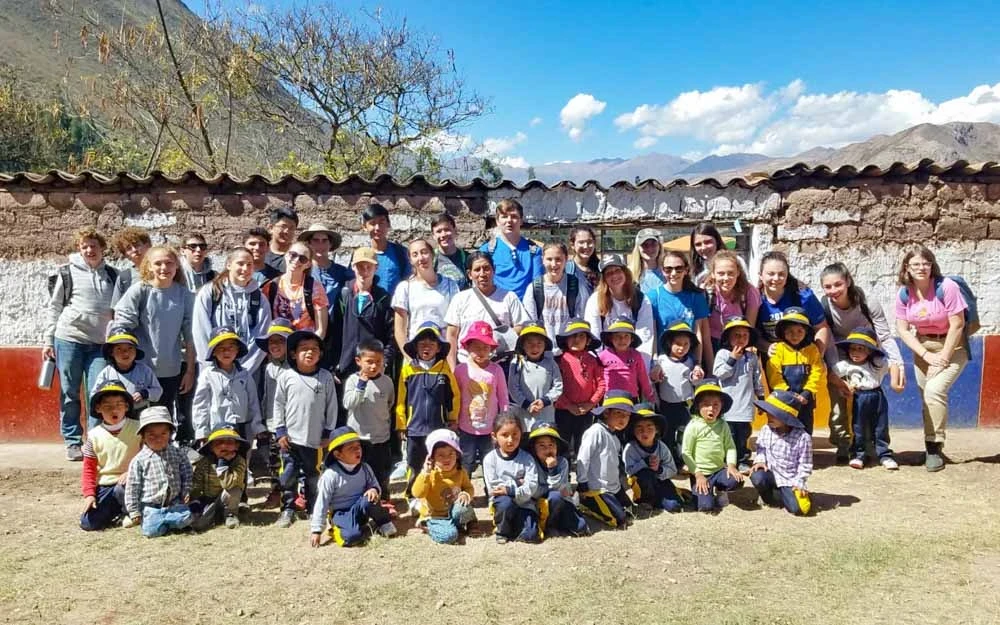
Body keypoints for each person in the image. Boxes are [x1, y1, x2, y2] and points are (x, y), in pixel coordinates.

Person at [893, 245, 969, 472]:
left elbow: (958, 324)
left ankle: (935, 447)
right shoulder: (904, 293)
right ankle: (930, 447)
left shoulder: (947, 287)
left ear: (932, 265)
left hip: (953, 347)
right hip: (923, 346)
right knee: (926, 397)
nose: (921, 268)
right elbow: (903, 329)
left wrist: (943, 358)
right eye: (916, 264)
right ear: (907, 267)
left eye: (926, 263)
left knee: (935, 391)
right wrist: (925, 354)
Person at [44, 227, 118, 459]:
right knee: (69, 392)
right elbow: (55, 307)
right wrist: (48, 340)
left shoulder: (113, 275)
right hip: (69, 339)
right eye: (84, 246)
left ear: (102, 248)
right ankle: (73, 441)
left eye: (93, 246)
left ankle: (95, 440)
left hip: (99, 344)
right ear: (79, 248)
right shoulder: (67, 272)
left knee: (97, 392)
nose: (89, 250)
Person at [820, 262, 904, 463]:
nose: (833, 291)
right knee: (840, 405)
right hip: (839, 354)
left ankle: (869, 446)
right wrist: (837, 375)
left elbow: (884, 335)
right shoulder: (824, 305)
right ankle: (843, 445)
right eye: (828, 287)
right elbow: (829, 341)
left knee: (866, 403)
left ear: (848, 281)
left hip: (866, 354)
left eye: (838, 284)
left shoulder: (867, 302)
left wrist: (897, 363)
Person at [114, 246, 196, 420]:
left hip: (170, 370)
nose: (164, 268)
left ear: (177, 266)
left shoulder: (185, 295)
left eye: (169, 263)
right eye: (158, 263)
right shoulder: (139, 290)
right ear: (149, 266)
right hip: (139, 369)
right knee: (135, 419)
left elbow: (190, 337)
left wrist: (189, 371)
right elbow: (122, 324)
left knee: (162, 418)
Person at [274, 330, 339, 528]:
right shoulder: (286, 376)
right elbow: (278, 405)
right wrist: (280, 431)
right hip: (291, 440)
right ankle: (288, 509)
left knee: (313, 476)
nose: (309, 353)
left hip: (315, 440)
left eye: (314, 350)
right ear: (293, 353)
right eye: (304, 349)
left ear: (320, 354)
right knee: (288, 476)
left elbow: (332, 406)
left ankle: (313, 508)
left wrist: (328, 432)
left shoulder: (325, 377)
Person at [396, 323, 460, 505]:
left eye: (431, 344)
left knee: (439, 461)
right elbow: (401, 399)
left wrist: (453, 417)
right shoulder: (408, 369)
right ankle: (412, 495)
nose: (426, 347)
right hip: (414, 428)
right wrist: (401, 424)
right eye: (422, 343)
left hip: (438, 427)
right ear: (415, 347)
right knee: (414, 463)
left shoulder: (444, 369)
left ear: (438, 347)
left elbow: (454, 396)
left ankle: (437, 494)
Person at [310, 427, 397, 547]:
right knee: (351, 538)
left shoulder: (365, 468)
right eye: (351, 448)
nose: (358, 450)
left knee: (369, 500)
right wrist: (317, 530)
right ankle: (339, 528)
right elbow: (322, 502)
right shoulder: (330, 475)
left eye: (358, 446)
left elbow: (375, 485)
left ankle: (383, 522)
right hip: (342, 513)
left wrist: (373, 490)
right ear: (338, 454)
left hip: (361, 507)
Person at [192, 247, 273, 376]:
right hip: (214, 371)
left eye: (249, 264)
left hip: (247, 373)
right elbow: (200, 331)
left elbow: (261, 335)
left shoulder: (259, 298)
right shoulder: (210, 292)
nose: (245, 269)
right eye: (240, 263)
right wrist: (212, 367)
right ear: (229, 264)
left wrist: (243, 370)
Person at [444, 252, 530, 369]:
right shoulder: (460, 299)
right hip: (466, 367)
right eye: (477, 270)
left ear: (493, 270)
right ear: (469, 274)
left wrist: (498, 338)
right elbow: (452, 335)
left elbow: (521, 326)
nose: (482, 274)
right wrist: (453, 368)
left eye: (486, 268)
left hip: (500, 365)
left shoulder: (509, 297)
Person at [123, 406, 194, 538]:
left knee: (187, 518)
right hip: (151, 506)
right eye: (152, 434)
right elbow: (132, 487)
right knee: (151, 531)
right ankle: (156, 521)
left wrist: (186, 490)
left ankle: (172, 520)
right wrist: (134, 511)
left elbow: (187, 473)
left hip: (174, 502)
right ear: (143, 436)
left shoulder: (177, 454)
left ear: (170, 434)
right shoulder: (139, 460)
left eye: (163, 434)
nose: (158, 438)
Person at [834, 328, 898, 470]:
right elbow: (831, 375)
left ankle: (884, 455)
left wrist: (896, 380)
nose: (855, 352)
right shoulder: (845, 365)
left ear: (869, 351)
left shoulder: (877, 363)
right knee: (858, 427)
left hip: (877, 396)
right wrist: (842, 386)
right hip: (858, 398)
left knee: (881, 426)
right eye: (852, 349)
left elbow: (893, 364)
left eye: (860, 349)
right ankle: (858, 455)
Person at [79, 383, 141, 531]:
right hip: (105, 485)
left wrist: (131, 471)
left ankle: (131, 512)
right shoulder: (94, 435)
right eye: (107, 406)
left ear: (126, 407)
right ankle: (117, 513)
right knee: (88, 523)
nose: (114, 410)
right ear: (98, 408)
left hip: (131, 482)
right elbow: (88, 468)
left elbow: (148, 455)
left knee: (122, 490)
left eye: (119, 405)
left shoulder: (139, 428)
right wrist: (89, 494)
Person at [454, 321, 509, 474]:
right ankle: (465, 492)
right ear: (467, 347)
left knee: (490, 461)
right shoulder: (461, 370)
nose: (481, 352)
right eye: (476, 347)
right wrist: (453, 419)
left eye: (485, 348)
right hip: (466, 427)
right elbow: (455, 396)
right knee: (466, 460)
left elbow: (503, 398)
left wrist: (502, 422)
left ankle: (491, 493)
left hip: (490, 428)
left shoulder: (496, 370)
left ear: (491, 349)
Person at [342, 338, 395, 501]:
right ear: (359, 361)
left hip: (381, 436)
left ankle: (383, 498)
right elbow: (348, 404)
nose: (373, 366)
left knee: (381, 470)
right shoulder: (352, 380)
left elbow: (389, 403)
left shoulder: (387, 382)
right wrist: (361, 386)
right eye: (369, 362)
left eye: (378, 362)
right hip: (359, 437)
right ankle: (360, 498)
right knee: (360, 470)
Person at [583, 255, 655, 370]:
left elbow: (645, 338)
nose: (614, 275)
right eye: (609, 273)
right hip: (606, 364)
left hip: (633, 363)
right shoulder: (595, 300)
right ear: (604, 279)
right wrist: (600, 369)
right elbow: (594, 338)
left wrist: (641, 371)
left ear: (625, 272)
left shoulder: (641, 299)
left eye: (617, 270)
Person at [191, 326, 263, 443]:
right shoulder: (207, 375)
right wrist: (201, 430)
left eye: (231, 347)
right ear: (213, 352)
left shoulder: (245, 374)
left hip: (241, 427)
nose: (226, 351)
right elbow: (201, 405)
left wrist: (257, 426)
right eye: (221, 348)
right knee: (221, 457)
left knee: (242, 458)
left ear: (237, 350)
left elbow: (253, 403)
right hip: (218, 427)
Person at [681, 380, 744, 513]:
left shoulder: (723, 425)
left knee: (735, 480)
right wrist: (698, 474)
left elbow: (730, 447)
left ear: (721, 407)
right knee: (706, 507)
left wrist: (731, 465)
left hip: (719, 470)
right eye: (706, 405)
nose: (711, 408)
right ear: (698, 406)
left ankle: (721, 490)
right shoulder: (693, 426)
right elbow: (686, 452)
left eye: (716, 404)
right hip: (701, 473)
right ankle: (702, 492)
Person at [713, 317, 764, 474]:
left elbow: (757, 378)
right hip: (727, 408)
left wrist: (761, 397)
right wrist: (732, 360)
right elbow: (719, 373)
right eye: (736, 335)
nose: (741, 339)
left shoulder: (752, 357)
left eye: (744, 335)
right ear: (728, 337)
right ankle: (727, 462)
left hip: (745, 406)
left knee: (743, 435)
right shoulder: (722, 354)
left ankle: (742, 460)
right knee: (728, 436)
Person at [392, 238, 459, 358]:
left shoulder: (450, 285)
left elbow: (453, 327)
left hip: (443, 354)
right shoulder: (404, 288)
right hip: (415, 355)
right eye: (415, 254)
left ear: (432, 254)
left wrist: (450, 359)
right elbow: (400, 330)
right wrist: (409, 358)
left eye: (424, 252)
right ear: (411, 260)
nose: (421, 258)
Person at [576, 391, 634, 529]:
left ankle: (608, 502)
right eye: (619, 413)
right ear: (607, 413)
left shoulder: (615, 436)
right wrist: (582, 482)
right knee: (618, 520)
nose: (623, 419)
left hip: (614, 486)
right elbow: (583, 457)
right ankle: (586, 503)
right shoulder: (596, 431)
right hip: (598, 488)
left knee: (630, 511)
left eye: (627, 415)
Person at [336, 247, 396, 380]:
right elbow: (335, 331)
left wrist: (384, 361)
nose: (364, 271)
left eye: (369, 266)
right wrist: (335, 364)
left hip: (374, 368)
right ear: (353, 267)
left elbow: (391, 335)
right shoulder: (344, 294)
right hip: (346, 368)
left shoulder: (383, 298)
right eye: (360, 267)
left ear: (376, 268)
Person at [750, 390, 814, 516]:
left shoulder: (802, 437)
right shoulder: (766, 429)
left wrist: (799, 482)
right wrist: (760, 460)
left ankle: (786, 495)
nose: (769, 416)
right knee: (757, 477)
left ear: (787, 418)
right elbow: (761, 448)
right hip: (771, 473)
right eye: (768, 413)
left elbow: (805, 464)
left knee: (798, 509)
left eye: (774, 414)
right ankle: (767, 496)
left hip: (789, 480)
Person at [756, 251, 831, 354]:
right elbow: (753, 335)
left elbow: (821, 328)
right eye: (771, 274)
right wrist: (767, 347)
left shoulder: (803, 296)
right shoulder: (755, 300)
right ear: (761, 275)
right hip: (774, 359)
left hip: (804, 354)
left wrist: (817, 356)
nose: (776, 278)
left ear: (787, 276)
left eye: (781, 274)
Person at [652, 320, 703, 470]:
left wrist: (696, 377)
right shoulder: (661, 360)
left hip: (685, 404)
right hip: (666, 404)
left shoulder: (690, 362)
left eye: (686, 344)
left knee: (685, 434)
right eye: (678, 344)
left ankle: (682, 461)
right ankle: (668, 461)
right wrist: (656, 377)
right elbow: (654, 379)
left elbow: (694, 382)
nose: (681, 348)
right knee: (667, 434)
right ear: (669, 343)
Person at [411, 428, 477, 544]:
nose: (447, 459)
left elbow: (469, 488)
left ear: (457, 454)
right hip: (436, 515)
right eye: (441, 455)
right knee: (450, 536)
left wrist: (466, 494)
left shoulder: (460, 472)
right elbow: (417, 493)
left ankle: (469, 522)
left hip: (454, 511)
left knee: (463, 508)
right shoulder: (430, 475)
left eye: (451, 453)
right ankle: (427, 525)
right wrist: (425, 473)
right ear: (432, 458)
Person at [649, 250, 713, 371]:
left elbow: (699, 333)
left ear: (686, 270)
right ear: (662, 271)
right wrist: (655, 362)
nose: (673, 273)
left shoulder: (696, 296)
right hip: (663, 363)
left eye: (678, 269)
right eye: (668, 269)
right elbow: (652, 334)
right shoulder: (653, 296)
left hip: (689, 362)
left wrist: (698, 364)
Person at [301, 223, 354, 369]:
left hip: (336, 331)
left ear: (330, 244)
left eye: (324, 241)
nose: (320, 245)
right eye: (316, 241)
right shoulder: (303, 271)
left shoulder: (342, 273)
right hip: (309, 328)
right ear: (309, 243)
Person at [483, 413, 542, 544]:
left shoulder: (527, 459)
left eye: (515, 435)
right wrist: (517, 483)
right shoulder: (490, 459)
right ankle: (502, 531)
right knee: (505, 503)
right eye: (505, 435)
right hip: (502, 503)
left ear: (521, 434)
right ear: (494, 436)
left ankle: (518, 525)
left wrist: (511, 490)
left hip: (524, 502)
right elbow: (495, 488)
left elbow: (532, 485)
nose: (510, 440)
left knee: (531, 535)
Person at [764, 308, 825, 435]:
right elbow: (774, 374)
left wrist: (807, 392)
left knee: (805, 427)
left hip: (805, 399)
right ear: (783, 332)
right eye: (790, 331)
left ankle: (804, 452)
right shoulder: (779, 349)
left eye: (799, 331)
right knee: (784, 428)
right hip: (784, 399)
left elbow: (817, 372)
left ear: (806, 332)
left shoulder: (812, 350)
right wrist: (788, 394)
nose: (795, 335)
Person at [553, 318, 606, 462]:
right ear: (565, 339)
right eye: (573, 336)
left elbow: (601, 384)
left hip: (586, 411)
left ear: (588, 341)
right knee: (562, 443)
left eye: (581, 336)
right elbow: (554, 386)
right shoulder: (558, 361)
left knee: (583, 444)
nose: (577, 339)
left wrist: (591, 404)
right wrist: (568, 405)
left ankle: (583, 475)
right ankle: (564, 473)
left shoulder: (593, 360)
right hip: (563, 410)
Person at [522, 241, 590, 350]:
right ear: (542, 260)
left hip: (569, 349)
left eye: (558, 259)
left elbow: (582, 318)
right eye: (549, 259)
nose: (554, 264)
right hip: (543, 351)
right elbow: (531, 322)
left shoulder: (576, 286)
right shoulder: (534, 288)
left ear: (566, 259)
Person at [255, 318, 294, 503]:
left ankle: (291, 493)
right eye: (272, 342)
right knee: (273, 460)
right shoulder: (268, 368)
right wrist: (261, 420)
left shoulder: (295, 368)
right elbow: (264, 396)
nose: (275, 345)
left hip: (292, 423)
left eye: (280, 341)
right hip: (271, 422)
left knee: (290, 459)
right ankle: (275, 489)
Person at [528, 423, 589, 537]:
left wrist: (552, 469)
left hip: (563, 501)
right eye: (542, 445)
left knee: (581, 527)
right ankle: (550, 525)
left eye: (551, 445)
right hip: (539, 503)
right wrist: (546, 489)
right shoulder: (531, 463)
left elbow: (559, 487)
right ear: (533, 448)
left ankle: (563, 521)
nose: (547, 449)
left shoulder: (562, 462)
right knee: (555, 496)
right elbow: (535, 491)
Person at [261, 241, 329, 339]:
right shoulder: (271, 287)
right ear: (286, 256)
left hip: (303, 345)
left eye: (303, 259)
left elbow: (321, 330)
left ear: (308, 264)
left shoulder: (315, 288)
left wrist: (309, 347)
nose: (296, 260)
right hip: (279, 346)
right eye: (293, 255)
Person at [479, 198, 543, 299]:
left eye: (514, 216)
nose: (509, 221)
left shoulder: (534, 251)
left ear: (521, 221)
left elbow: (538, 286)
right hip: (496, 308)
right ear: (497, 221)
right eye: (504, 217)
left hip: (525, 309)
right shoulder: (486, 251)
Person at [189, 425, 248, 530]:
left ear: (237, 446)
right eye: (219, 443)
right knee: (198, 524)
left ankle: (231, 514)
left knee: (234, 490)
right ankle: (215, 514)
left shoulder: (239, 462)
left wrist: (222, 464)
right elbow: (196, 484)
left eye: (229, 442)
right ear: (211, 447)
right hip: (209, 499)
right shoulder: (205, 462)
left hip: (227, 497)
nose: (224, 445)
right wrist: (194, 500)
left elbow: (229, 484)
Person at [623, 406, 681, 512]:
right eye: (639, 427)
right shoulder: (630, 448)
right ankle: (644, 500)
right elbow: (628, 471)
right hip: (641, 483)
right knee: (645, 474)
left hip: (660, 480)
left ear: (657, 430)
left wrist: (659, 469)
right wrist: (644, 463)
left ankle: (661, 497)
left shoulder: (661, 447)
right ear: (633, 430)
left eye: (649, 427)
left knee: (674, 506)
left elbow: (673, 470)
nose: (644, 431)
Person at [92, 326, 161, 413]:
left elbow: (158, 391)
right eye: (119, 349)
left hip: (140, 412)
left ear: (136, 351)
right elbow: (95, 394)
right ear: (111, 353)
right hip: (115, 413)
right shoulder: (106, 373)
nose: (125, 352)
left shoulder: (144, 370)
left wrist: (144, 394)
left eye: (130, 348)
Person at [508, 323, 563, 432]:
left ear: (545, 345)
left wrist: (545, 401)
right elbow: (513, 388)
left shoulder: (551, 363)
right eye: (530, 343)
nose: (535, 347)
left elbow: (558, 386)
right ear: (522, 345)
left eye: (539, 343)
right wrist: (527, 405)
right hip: (525, 416)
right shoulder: (517, 363)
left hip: (546, 415)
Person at [704, 250, 761, 353]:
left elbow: (749, 327)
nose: (726, 278)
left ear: (738, 273)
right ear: (713, 274)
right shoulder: (706, 293)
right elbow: (704, 333)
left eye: (730, 273)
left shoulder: (749, 292)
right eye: (721, 273)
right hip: (712, 343)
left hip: (739, 341)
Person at [599, 316, 654, 404]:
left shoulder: (636, 355)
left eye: (626, 336)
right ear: (611, 338)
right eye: (617, 336)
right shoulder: (603, 356)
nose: (622, 339)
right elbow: (597, 378)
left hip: (631, 397)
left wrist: (649, 394)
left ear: (632, 339)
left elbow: (642, 376)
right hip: (609, 397)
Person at [361, 203, 410, 296]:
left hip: (394, 309)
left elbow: (409, 284)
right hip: (369, 308)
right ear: (364, 227)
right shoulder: (361, 255)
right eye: (372, 223)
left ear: (388, 224)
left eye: (381, 222)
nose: (377, 228)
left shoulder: (401, 253)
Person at [690, 221, 746, 288]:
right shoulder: (696, 268)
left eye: (708, 242)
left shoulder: (736, 261)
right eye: (698, 244)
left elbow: (748, 288)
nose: (703, 247)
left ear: (717, 241)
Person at [110, 226, 151, 307]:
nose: (134, 250)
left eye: (137, 245)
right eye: (129, 248)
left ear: (147, 245)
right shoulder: (125, 277)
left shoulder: (163, 270)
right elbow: (117, 307)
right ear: (126, 255)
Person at [431, 213, 469, 290]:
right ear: (433, 236)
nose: (443, 235)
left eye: (447, 230)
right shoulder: (430, 259)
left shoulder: (467, 258)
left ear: (455, 231)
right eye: (439, 231)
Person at [628, 228, 666, 295]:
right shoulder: (629, 274)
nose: (649, 248)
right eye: (644, 245)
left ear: (659, 247)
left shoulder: (668, 272)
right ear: (638, 248)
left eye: (653, 244)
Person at [264, 207, 299, 274]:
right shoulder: (262, 254)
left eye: (291, 228)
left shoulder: (299, 256)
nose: (287, 231)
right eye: (283, 226)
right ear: (271, 228)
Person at [565, 226, 600, 290]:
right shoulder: (566, 270)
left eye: (589, 242)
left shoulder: (601, 269)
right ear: (572, 245)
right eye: (581, 242)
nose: (586, 246)